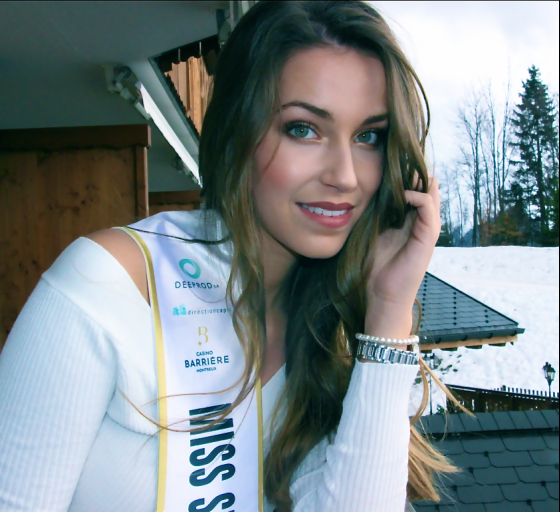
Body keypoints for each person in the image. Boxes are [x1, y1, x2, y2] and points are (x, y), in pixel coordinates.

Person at [0, 2, 463, 511]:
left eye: (368, 136)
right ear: (237, 132)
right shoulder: (112, 282)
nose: (345, 176)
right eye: (303, 129)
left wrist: (389, 310)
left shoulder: (331, 330)